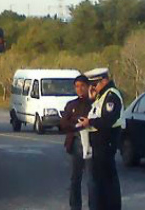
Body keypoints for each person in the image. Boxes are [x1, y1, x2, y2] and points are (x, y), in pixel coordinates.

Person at [78, 68, 124, 210]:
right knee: (101, 180)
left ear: (103, 81)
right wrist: (92, 99)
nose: (93, 88)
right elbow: (96, 112)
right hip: (99, 144)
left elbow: (107, 120)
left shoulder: (111, 96)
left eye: (95, 85)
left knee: (107, 181)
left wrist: (89, 123)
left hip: (107, 141)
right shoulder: (102, 96)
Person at [59, 74, 95, 210]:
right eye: (77, 86)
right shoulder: (71, 104)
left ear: (88, 87)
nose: (79, 89)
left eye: (82, 86)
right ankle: (75, 206)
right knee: (75, 178)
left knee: (92, 179)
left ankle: (94, 205)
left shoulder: (93, 103)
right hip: (75, 142)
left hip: (90, 144)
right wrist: (75, 125)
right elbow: (63, 123)